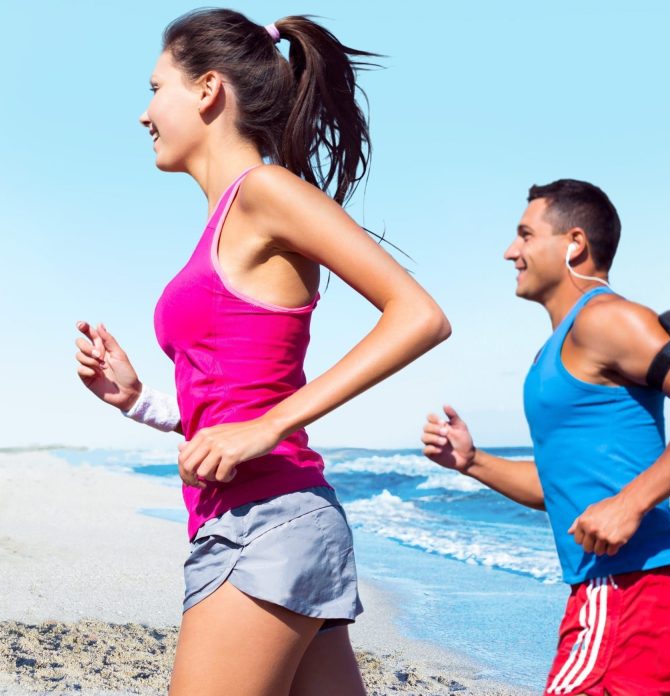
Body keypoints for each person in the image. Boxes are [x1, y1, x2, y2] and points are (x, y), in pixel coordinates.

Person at [74, 9, 450, 696]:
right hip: (265, 522)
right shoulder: (228, 217)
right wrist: (140, 404)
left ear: (208, 89)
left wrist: (268, 427)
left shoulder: (265, 193)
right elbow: (233, 403)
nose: (144, 114)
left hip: (266, 526)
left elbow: (419, 317)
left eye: (157, 88)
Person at [421, 179, 670, 695]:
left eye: (525, 235)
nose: (511, 251)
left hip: (628, 587)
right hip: (631, 590)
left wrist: (631, 502)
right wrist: (473, 460)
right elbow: (558, 487)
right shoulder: (557, 348)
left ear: (574, 243)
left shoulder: (605, 319)